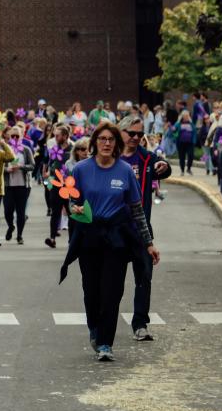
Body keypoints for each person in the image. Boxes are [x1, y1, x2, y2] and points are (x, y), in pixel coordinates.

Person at [59, 122, 160, 362]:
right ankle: (95, 328)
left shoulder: (125, 170)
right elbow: (71, 204)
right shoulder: (81, 170)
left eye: (111, 140)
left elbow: (137, 211)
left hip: (116, 238)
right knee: (91, 291)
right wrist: (74, 208)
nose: (106, 143)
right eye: (102, 139)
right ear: (94, 143)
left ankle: (105, 342)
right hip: (90, 237)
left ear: (117, 143)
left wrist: (148, 242)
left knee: (112, 292)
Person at [119, 116, 172, 341]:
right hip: (116, 229)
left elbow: (164, 169)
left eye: (140, 134)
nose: (135, 138)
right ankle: (104, 323)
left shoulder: (147, 158)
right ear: (121, 132)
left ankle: (140, 323)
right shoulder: (110, 158)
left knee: (144, 277)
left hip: (142, 228)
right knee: (112, 280)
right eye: (131, 133)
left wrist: (165, 166)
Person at [3, 127, 34, 244]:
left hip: (23, 185)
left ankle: (19, 235)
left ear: (21, 136)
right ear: (9, 137)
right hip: (8, 185)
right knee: (8, 210)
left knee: (21, 212)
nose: (15, 138)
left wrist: (21, 167)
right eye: (13, 136)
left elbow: (32, 165)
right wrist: (7, 169)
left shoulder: (26, 150)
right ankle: (11, 226)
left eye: (17, 136)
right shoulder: (5, 150)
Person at [44, 125, 74, 249]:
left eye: (58, 135)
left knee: (71, 212)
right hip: (56, 185)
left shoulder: (73, 150)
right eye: (55, 135)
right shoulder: (54, 149)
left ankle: (72, 240)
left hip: (69, 186)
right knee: (55, 212)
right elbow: (50, 165)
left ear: (65, 136)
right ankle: (52, 238)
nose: (55, 138)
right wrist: (49, 182)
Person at [174, 110, 196, 175]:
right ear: (182, 116)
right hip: (180, 143)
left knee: (191, 155)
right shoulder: (178, 123)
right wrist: (173, 129)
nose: (186, 117)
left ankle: (189, 168)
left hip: (190, 143)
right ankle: (182, 170)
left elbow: (194, 132)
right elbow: (174, 131)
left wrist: (194, 141)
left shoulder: (191, 123)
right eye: (185, 116)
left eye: (187, 116)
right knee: (182, 157)